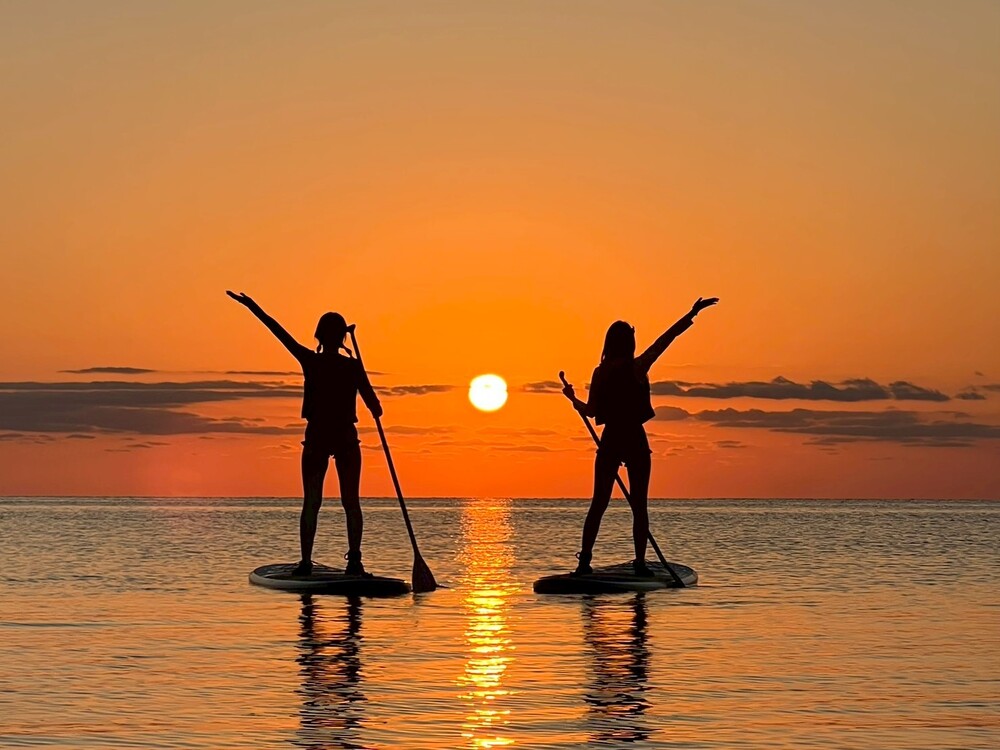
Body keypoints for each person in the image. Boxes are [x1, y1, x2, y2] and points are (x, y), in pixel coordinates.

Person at [227, 291, 382, 576]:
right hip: (330, 439)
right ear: (338, 338)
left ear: (321, 337)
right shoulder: (347, 365)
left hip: (332, 439)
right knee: (345, 502)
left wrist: (252, 306)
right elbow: (375, 405)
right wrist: (252, 307)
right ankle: (351, 561)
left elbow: (279, 332)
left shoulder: (323, 362)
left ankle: (316, 562)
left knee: (320, 501)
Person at [562, 297, 718, 576]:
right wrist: (691, 313)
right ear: (628, 343)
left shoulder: (601, 372)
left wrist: (574, 400)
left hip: (613, 439)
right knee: (639, 505)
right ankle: (639, 562)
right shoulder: (636, 367)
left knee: (599, 503)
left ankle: (584, 561)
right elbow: (665, 340)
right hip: (633, 438)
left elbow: (591, 411)